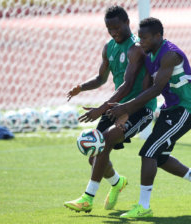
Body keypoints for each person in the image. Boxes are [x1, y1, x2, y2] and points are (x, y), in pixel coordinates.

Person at [64, 6, 157, 213]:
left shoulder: (136, 49)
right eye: (109, 28)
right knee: (94, 155)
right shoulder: (108, 47)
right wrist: (81, 87)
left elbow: (127, 84)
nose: (113, 32)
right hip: (116, 106)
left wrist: (100, 109)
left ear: (127, 23)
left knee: (104, 141)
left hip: (140, 107)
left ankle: (87, 199)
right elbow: (100, 78)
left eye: (116, 27)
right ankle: (117, 182)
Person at [107, 17, 191, 218]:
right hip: (170, 108)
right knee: (159, 157)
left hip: (185, 108)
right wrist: (127, 109)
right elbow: (145, 87)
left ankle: (144, 206)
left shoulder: (169, 54)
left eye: (144, 38)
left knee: (148, 153)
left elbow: (156, 89)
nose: (140, 41)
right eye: (140, 36)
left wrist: (125, 106)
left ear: (158, 36)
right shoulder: (149, 53)